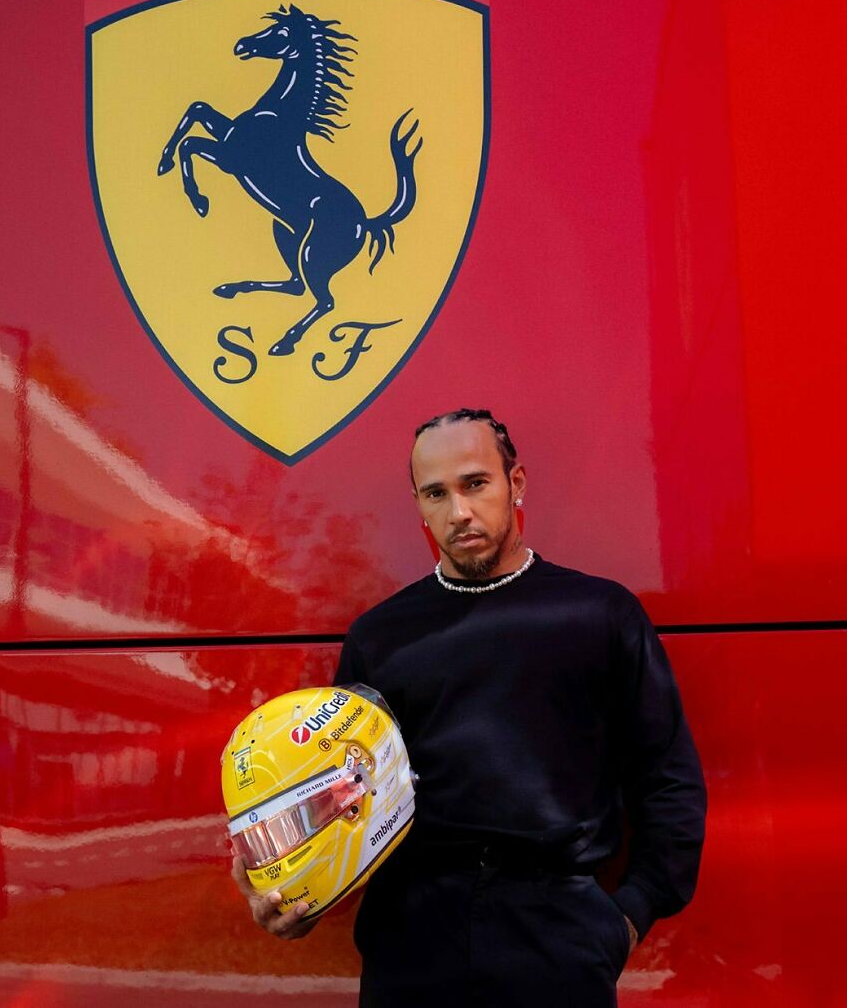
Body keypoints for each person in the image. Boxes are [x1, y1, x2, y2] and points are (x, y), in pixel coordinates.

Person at [233, 408, 706, 1006]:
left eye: (475, 483)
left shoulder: (599, 615)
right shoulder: (380, 638)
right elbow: (339, 797)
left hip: (558, 938)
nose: (458, 512)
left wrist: (629, 916)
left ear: (516, 483)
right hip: (411, 940)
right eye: (436, 493)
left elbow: (668, 781)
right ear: (419, 505)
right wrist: (292, 891)